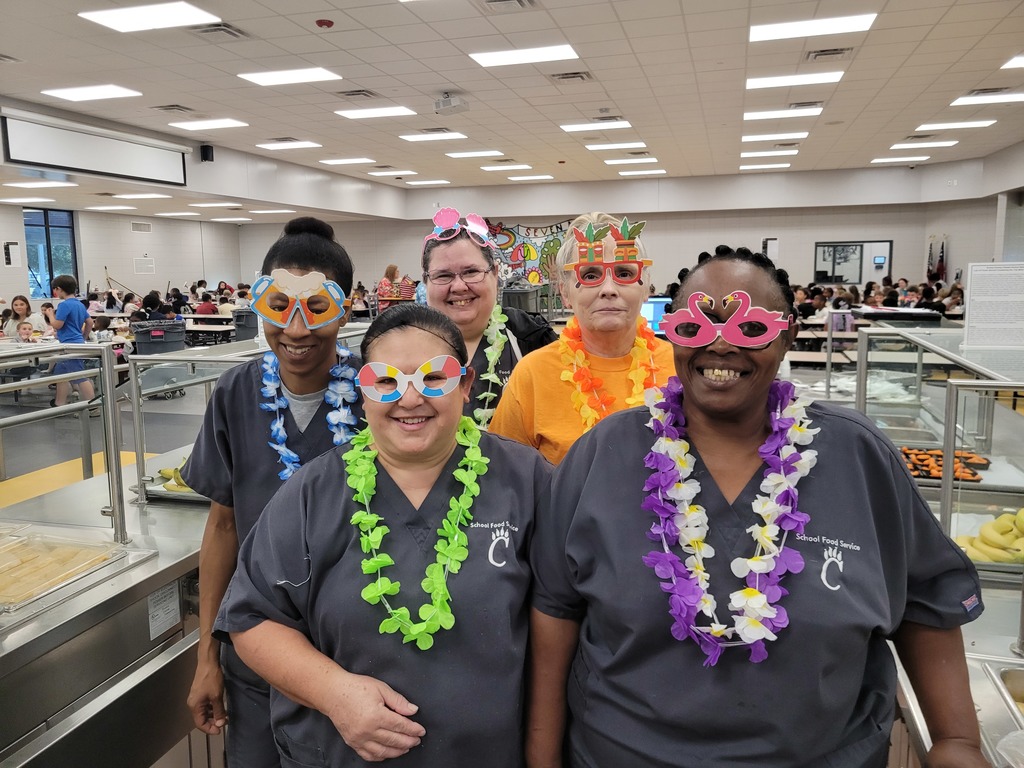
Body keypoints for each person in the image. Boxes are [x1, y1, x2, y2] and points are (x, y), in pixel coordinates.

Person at [527, 248, 987, 768]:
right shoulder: (604, 453)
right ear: (672, 333)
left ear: (787, 335)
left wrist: (957, 742)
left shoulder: (857, 457)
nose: (721, 344)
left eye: (750, 327)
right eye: (697, 324)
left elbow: (926, 601)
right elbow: (555, 611)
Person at [215, 303, 551, 767]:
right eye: (387, 381)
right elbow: (252, 619)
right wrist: (335, 693)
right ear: (363, 391)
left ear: (466, 384)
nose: (409, 399)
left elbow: (564, 625)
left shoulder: (526, 481)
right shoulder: (313, 492)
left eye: (434, 378)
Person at [182, 217, 362, 768]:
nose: (298, 330)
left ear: (346, 307)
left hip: (352, 655)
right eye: (280, 307)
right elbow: (223, 525)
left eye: (318, 309)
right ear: (260, 304)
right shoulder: (237, 391)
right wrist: (207, 655)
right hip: (253, 649)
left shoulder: (378, 392)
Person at [490, 213, 676, 464]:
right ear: (564, 292)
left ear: (646, 287)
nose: (609, 289)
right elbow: (505, 475)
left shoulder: (681, 367)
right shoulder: (532, 375)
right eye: (590, 275)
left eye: (624, 273)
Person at [421, 207, 557, 429]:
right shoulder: (399, 345)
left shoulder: (533, 339)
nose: (458, 286)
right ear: (426, 281)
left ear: (494, 273)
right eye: (443, 275)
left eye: (471, 272)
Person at [42, 275, 96, 408]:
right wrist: (83, 337)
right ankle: (59, 403)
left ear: (58, 289)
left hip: (69, 344)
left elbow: (57, 325)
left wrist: (50, 315)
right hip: (75, 341)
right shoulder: (79, 304)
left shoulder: (64, 305)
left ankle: (94, 406)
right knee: (60, 374)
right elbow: (89, 322)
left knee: (80, 376)